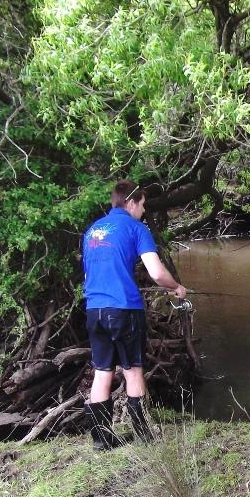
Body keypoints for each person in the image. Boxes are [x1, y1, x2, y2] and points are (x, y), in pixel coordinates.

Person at [82, 180, 188, 449]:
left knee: (102, 372)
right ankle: (143, 436)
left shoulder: (93, 231)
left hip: (95, 310)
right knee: (133, 371)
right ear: (131, 202)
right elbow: (156, 272)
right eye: (142, 204)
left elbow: (89, 274)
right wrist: (176, 287)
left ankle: (101, 441)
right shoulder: (136, 228)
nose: (143, 210)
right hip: (124, 310)